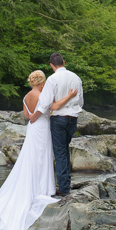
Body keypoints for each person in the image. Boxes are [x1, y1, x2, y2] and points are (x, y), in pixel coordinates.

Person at [0, 70, 77, 230]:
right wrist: (71, 95)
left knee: (32, 158)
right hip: (41, 128)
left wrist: (34, 116)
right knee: (42, 158)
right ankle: (43, 188)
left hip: (33, 130)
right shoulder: (42, 94)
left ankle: (38, 186)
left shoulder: (27, 96)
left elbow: (27, 116)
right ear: (42, 82)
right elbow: (50, 109)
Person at [30, 53, 84, 196]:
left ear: (51, 65)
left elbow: (45, 103)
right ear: (64, 62)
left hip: (59, 119)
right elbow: (81, 102)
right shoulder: (76, 78)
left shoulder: (52, 79)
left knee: (60, 154)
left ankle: (64, 188)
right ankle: (66, 183)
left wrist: (34, 117)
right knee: (65, 151)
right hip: (73, 118)